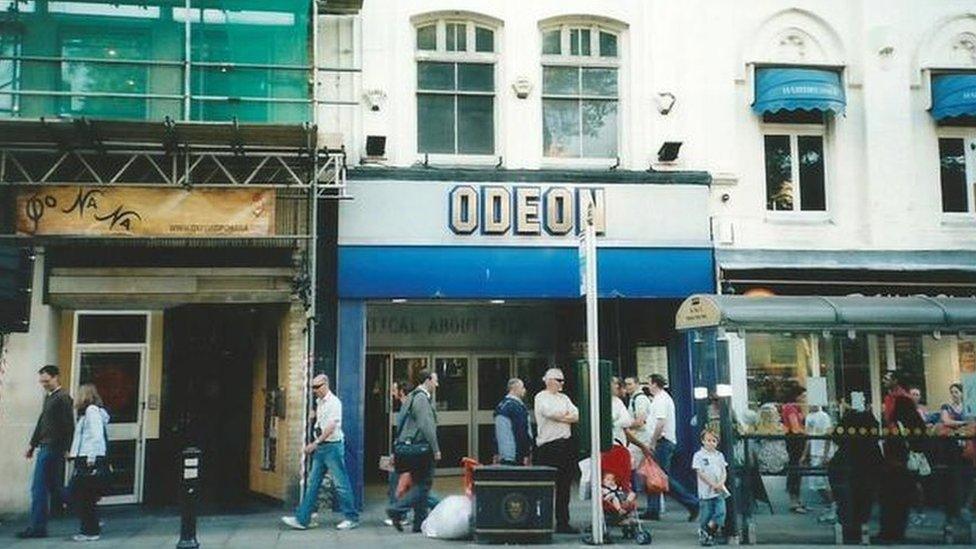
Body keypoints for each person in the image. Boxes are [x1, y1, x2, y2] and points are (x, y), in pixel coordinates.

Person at [282, 374, 359, 531]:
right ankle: (303, 519)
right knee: (313, 484)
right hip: (323, 448)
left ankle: (352, 517)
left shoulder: (334, 403)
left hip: (332, 447)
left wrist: (315, 443)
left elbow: (331, 427)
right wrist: (315, 416)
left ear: (325, 385)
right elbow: (323, 421)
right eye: (312, 387)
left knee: (341, 484)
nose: (314, 390)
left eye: (316, 387)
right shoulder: (319, 402)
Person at [18, 365, 74, 539]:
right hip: (45, 445)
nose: (44, 384)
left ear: (56, 377)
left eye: (46, 380)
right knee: (55, 488)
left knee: (39, 488)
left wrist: (67, 448)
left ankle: (38, 527)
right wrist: (32, 444)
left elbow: (69, 425)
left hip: (52, 447)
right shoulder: (49, 397)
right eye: (42, 381)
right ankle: (88, 511)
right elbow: (42, 421)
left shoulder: (63, 398)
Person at [387, 369, 441, 533]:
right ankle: (397, 509)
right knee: (424, 486)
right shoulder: (422, 398)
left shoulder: (411, 397)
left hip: (410, 449)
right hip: (422, 448)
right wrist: (436, 448)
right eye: (435, 380)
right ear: (428, 380)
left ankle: (419, 523)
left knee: (418, 484)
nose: (437, 384)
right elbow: (426, 425)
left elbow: (401, 422)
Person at [644, 374, 699, 521]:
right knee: (655, 476)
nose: (648, 386)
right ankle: (653, 509)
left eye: (649, 383)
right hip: (662, 442)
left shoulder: (661, 400)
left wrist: (653, 442)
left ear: (655, 384)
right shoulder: (660, 399)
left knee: (661, 478)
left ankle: (692, 502)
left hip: (662, 442)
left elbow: (660, 422)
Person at [877, 377, 926, 544]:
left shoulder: (901, 401)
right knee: (898, 495)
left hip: (897, 456)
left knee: (893, 495)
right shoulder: (899, 400)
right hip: (899, 456)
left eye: (887, 378)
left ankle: (890, 531)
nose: (884, 381)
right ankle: (894, 531)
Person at [534, 367, 580, 534]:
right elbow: (550, 413)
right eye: (558, 380)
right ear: (548, 380)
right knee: (545, 487)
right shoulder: (541, 397)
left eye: (563, 380)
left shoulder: (565, 397)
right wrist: (565, 416)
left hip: (565, 445)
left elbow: (576, 414)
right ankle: (542, 521)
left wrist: (563, 416)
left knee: (564, 486)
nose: (562, 384)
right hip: (548, 446)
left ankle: (563, 522)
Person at [828, 407, 883, 544]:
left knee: (845, 502)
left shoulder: (845, 441)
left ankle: (848, 531)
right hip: (867, 465)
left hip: (846, 464)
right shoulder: (871, 440)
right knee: (864, 500)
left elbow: (836, 438)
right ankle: (861, 528)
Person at [67, 383, 110, 542]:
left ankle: (90, 530)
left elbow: (96, 435)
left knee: (82, 495)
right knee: (86, 496)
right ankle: (92, 525)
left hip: (88, 458)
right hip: (84, 457)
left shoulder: (91, 411)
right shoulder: (88, 413)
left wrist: (91, 457)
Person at [693, 430, 729, 547]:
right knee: (706, 513)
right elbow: (700, 472)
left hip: (719, 490)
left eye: (714, 441)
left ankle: (709, 530)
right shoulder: (699, 455)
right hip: (706, 491)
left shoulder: (719, 455)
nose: (711, 443)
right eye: (708, 440)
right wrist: (712, 484)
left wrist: (720, 483)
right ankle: (705, 532)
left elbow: (724, 471)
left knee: (721, 511)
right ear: (703, 441)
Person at [623, 377, 654, 508]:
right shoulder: (634, 399)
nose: (627, 386)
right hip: (637, 440)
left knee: (630, 471)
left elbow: (640, 421)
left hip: (640, 440)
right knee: (642, 473)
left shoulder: (639, 399)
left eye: (630, 384)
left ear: (637, 384)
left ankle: (630, 503)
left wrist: (624, 425)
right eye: (626, 384)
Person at [803, 404, 835, 523]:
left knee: (823, 483)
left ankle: (833, 507)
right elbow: (809, 438)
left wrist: (826, 455)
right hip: (814, 453)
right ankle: (830, 506)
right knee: (816, 484)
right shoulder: (809, 417)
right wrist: (805, 454)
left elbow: (828, 436)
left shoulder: (824, 416)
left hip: (822, 454)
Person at [781, 386, 807, 514]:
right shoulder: (791, 408)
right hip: (795, 442)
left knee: (796, 469)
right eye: (802, 396)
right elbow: (795, 428)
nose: (804, 398)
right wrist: (807, 431)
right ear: (796, 396)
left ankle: (796, 499)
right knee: (796, 469)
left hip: (795, 441)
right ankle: (794, 500)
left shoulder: (795, 408)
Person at [494, 378, 532, 466]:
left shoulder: (501, 406)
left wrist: (496, 451)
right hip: (516, 454)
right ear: (515, 389)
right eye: (522, 387)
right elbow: (521, 431)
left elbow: (496, 432)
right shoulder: (517, 407)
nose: (524, 390)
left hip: (503, 454)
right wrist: (526, 453)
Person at [610, 377, 634, 445]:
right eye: (615, 383)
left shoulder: (617, 401)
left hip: (619, 443)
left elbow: (627, 422)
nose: (617, 386)